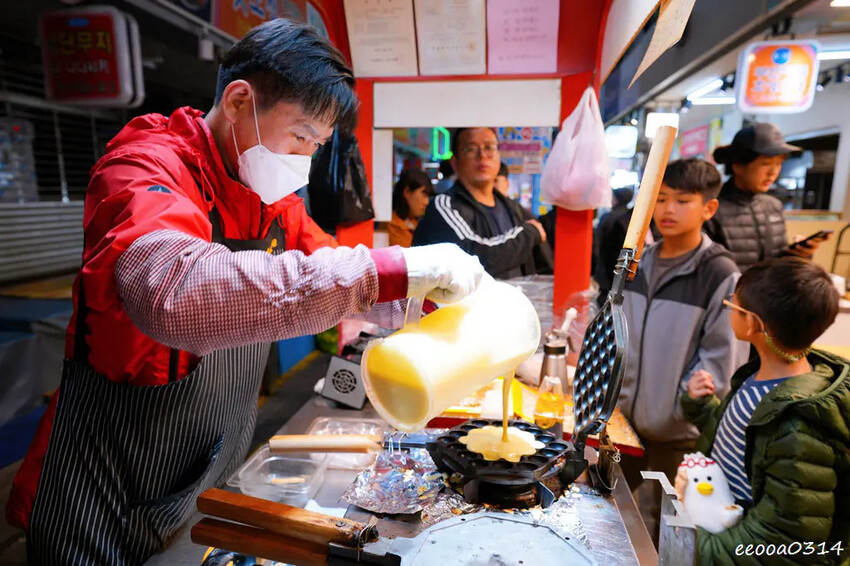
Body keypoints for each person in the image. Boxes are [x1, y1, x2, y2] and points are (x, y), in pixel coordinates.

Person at [7, 19, 483, 565]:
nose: (304, 159)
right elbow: (173, 291)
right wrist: (390, 267)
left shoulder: (272, 201)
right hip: (107, 482)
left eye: (316, 146)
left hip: (206, 471)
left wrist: (431, 297)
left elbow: (331, 269)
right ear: (238, 101)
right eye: (300, 136)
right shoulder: (142, 169)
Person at [682, 257, 848, 565]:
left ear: (753, 323)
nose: (729, 309)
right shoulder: (762, 380)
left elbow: (784, 536)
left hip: (729, 548)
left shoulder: (798, 425)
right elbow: (748, 443)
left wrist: (695, 546)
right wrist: (701, 407)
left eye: (732, 305)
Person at [617, 158, 748, 544]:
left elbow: (720, 358)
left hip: (678, 434)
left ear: (709, 208)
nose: (667, 210)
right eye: (660, 199)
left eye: (682, 200)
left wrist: (679, 407)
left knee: (672, 529)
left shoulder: (720, 273)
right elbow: (617, 329)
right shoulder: (638, 261)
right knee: (618, 516)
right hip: (623, 425)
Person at [412, 127, 547, 279]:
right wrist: (529, 234)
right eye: (470, 149)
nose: (482, 155)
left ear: (498, 157)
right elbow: (474, 259)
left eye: (489, 147)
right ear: (455, 162)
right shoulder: (444, 206)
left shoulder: (513, 209)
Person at [708, 122, 829, 272]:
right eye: (766, 163)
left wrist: (800, 255)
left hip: (770, 287)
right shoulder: (712, 208)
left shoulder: (773, 206)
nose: (773, 172)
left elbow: (778, 260)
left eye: (778, 163)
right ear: (738, 166)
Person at [593, 186, 637, 305]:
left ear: (616, 199)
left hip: (606, 271)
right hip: (624, 272)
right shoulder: (632, 218)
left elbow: (598, 242)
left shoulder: (607, 217)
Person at [389, 168, 432, 247]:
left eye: (428, 196)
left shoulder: (418, 224)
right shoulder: (392, 228)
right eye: (423, 195)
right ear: (407, 192)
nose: (426, 202)